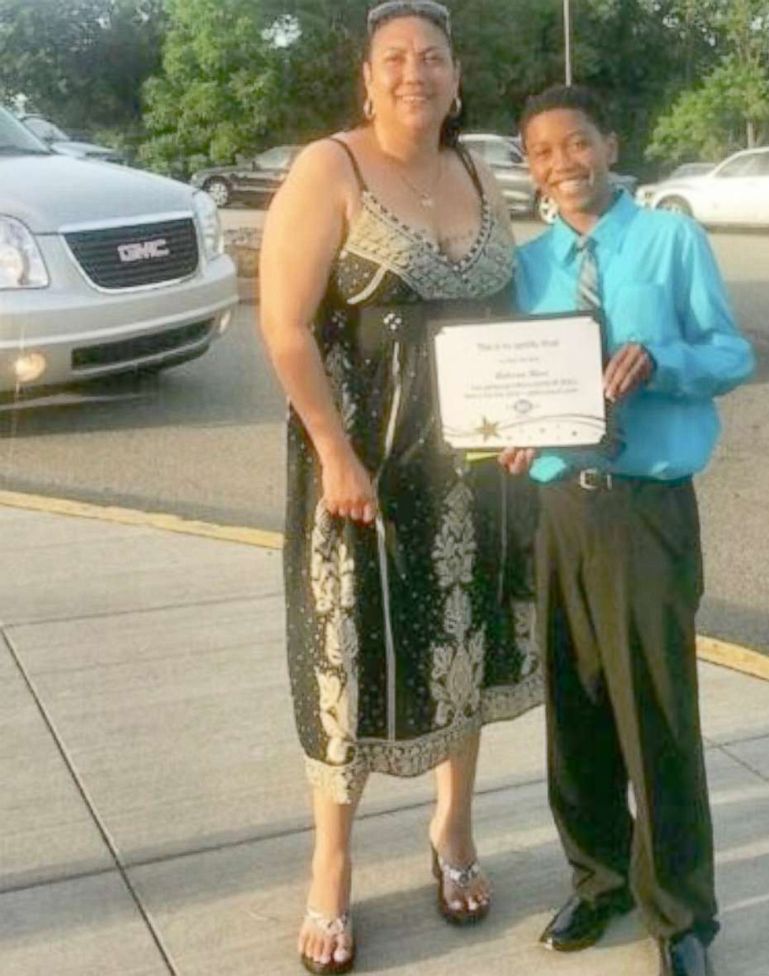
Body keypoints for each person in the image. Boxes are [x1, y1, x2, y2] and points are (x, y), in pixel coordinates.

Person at [259, 3, 541, 972]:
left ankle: (451, 830)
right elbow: (285, 325)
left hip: (471, 468)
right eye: (394, 58)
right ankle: (330, 867)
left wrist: (529, 416)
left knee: (460, 646)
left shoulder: (477, 172)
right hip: (364, 475)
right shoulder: (326, 169)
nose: (413, 72)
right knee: (353, 660)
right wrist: (335, 451)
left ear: (457, 81)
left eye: (432, 57)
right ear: (365, 80)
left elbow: (507, 315)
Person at [500, 85, 754, 976]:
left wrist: (665, 361)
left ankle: (680, 916)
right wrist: (510, 432)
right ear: (528, 167)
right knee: (576, 712)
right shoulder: (529, 266)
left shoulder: (669, 240)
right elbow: (513, 381)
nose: (562, 164)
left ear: (610, 143)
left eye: (576, 144)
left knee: (658, 715)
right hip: (562, 506)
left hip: (647, 509)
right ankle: (600, 880)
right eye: (541, 152)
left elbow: (733, 352)